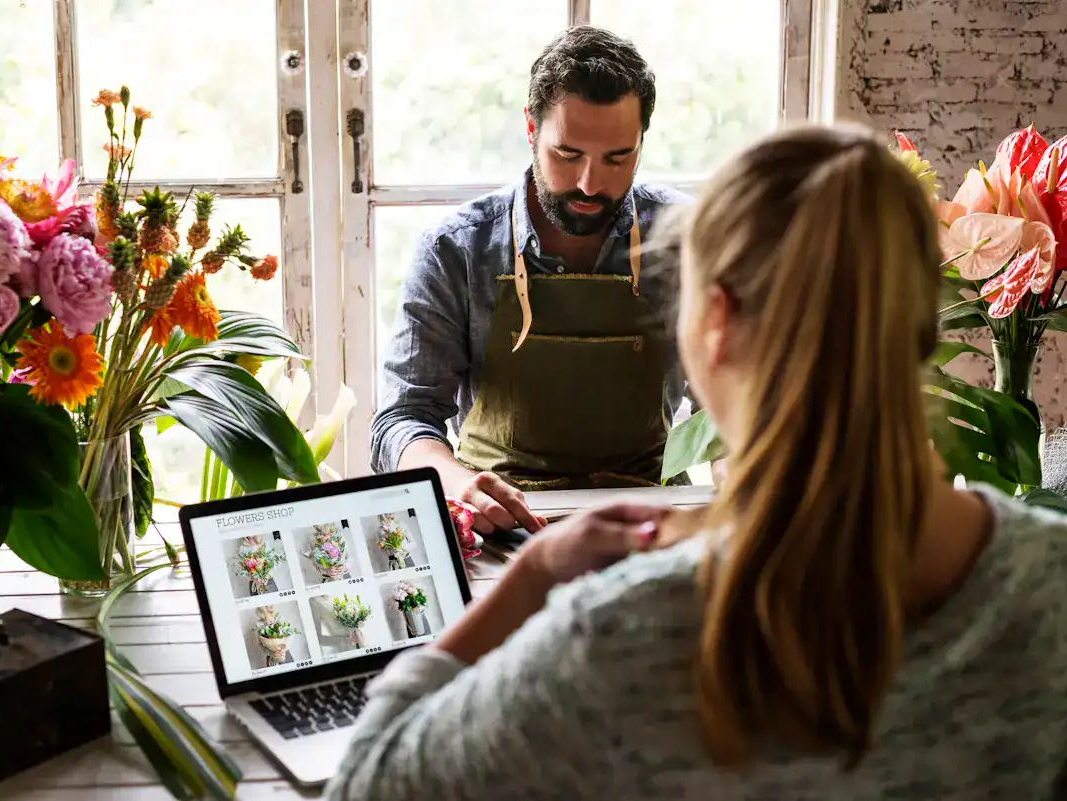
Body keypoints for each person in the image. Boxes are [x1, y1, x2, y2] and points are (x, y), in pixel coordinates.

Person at [323, 124, 1067, 799]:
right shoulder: (1051, 576)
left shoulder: (625, 633)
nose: (591, 180)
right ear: (920, 323)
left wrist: (538, 573)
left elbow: (371, 782)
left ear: (714, 321)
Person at [370, 25, 692, 534]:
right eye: (568, 155)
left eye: (618, 158)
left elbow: (737, 404)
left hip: (650, 521)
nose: (590, 183)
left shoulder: (689, 239)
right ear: (530, 128)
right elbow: (400, 422)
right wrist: (455, 482)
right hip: (501, 524)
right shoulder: (455, 249)